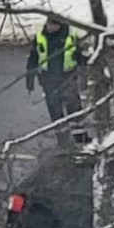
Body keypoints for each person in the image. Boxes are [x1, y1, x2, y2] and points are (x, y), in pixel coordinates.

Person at [26, 14, 88, 144]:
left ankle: (80, 138)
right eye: (49, 24)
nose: (50, 28)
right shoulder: (40, 37)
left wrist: (84, 74)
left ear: (59, 26)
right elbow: (33, 58)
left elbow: (80, 57)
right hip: (48, 79)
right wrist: (30, 78)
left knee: (74, 109)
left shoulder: (70, 37)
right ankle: (62, 139)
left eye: (53, 25)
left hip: (68, 77)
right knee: (55, 110)